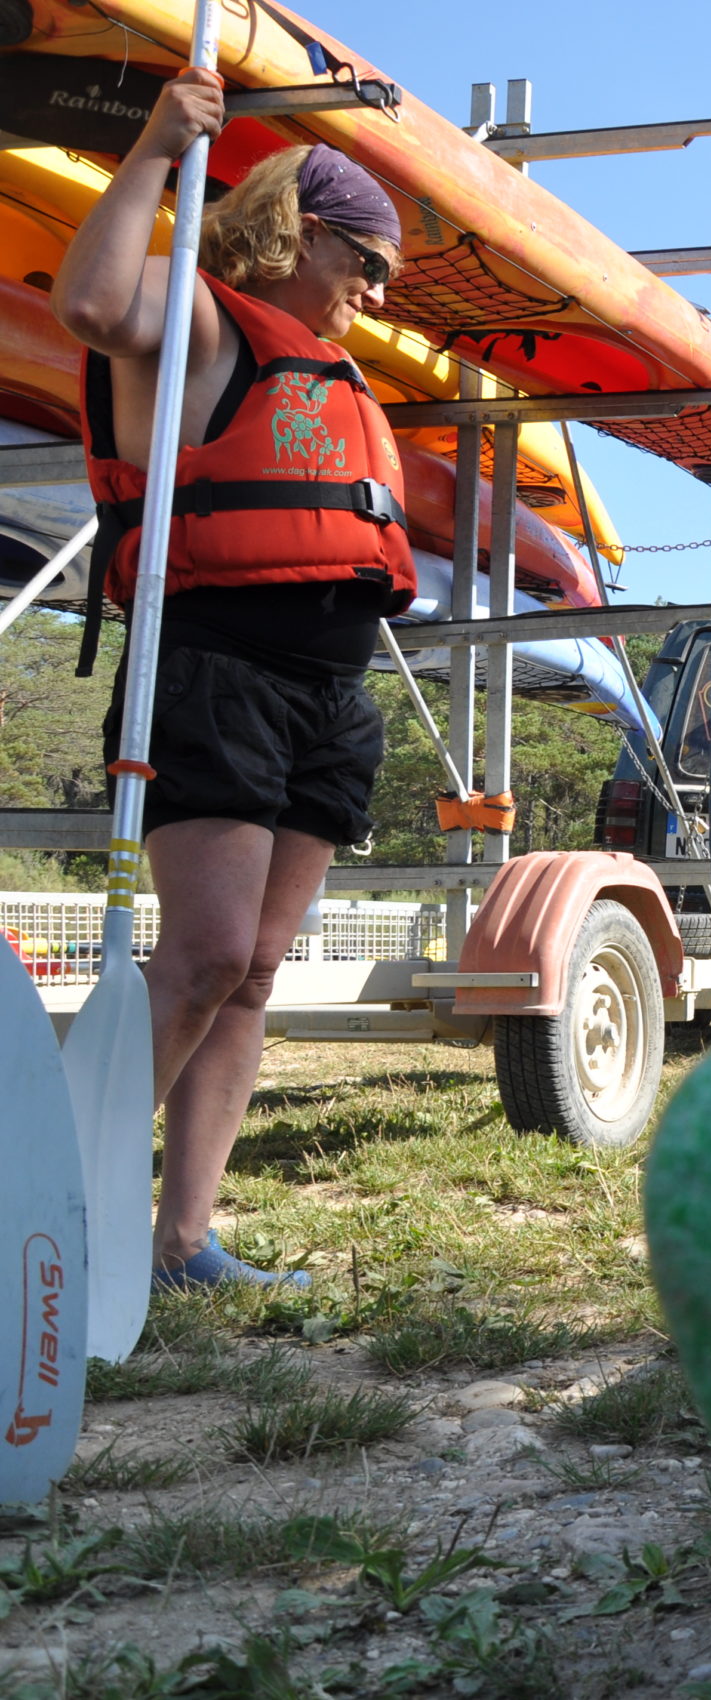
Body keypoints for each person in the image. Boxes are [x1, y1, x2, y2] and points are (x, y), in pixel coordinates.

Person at [56, 70, 413, 1287]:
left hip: (326, 700)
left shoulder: (329, 367)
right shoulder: (206, 322)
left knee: (255, 970)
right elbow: (94, 304)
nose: (375, 295)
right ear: (304, 233)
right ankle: (46, 1205)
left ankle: (181, 1235)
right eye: (365, 263)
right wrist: (159, 143)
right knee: (204, 955)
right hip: (218, 672)